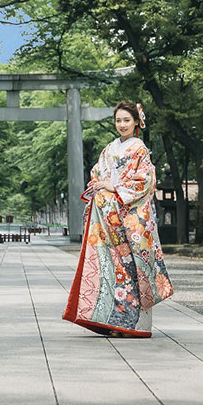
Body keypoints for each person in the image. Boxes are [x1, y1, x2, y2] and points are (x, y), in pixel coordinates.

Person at [63, 101, 173, 337]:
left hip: (130, 219)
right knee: (113, 268)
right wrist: (101, 187)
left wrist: (114, 187)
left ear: (136, 122)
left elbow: (144, 181)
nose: (122, 125)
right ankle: (116, 323)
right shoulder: (110, 149)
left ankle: (135, 326)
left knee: (132, 268)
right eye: (118, 120)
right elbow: (96, 175)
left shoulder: (139, 149)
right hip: (109, 217)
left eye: (126, 120)